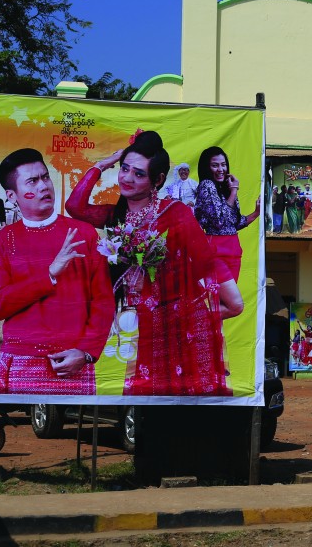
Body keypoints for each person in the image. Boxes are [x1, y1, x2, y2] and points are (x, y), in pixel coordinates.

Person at [67, 132, 243, 396]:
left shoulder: (175, 213)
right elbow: (75, 206)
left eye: (138, 174)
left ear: (157, 180)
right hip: (138, 325)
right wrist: (103, 164)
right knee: (143, 400)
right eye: (124, 169)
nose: (126, 178)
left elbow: (205, 261)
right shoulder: (116, 216)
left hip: (172, 325)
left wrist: (181, 311)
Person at [0, 149, 115, 395]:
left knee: (73, 434)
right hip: (22, 359)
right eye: (32, 181)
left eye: (45, 177)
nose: (43, 186)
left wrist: (87, 352)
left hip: (73, 361)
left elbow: (103, 301)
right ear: (11, 195)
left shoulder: (84, 233)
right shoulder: (3, 241)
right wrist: (49, 274)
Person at [194, 146, 260, 282]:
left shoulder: (225, 187)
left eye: (223, 165)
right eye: (215, 165)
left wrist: (256, 213)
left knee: (227, 302)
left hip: (233, 250)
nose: (221, 170)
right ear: (207, 167)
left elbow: (235, 223)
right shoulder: (207, 185)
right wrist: (234, 191)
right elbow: (219, 221)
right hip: (217, 250)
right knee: (230, 302)